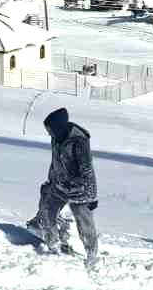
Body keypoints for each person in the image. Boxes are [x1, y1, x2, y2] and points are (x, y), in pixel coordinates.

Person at [27, 107, 100, 267]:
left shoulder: (78, 141)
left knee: (85, 224)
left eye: (50, 130)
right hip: (59, 185)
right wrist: (50, 181)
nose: (49, 133)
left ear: (58, 127)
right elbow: (55, 163)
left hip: (79, 190)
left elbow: (87, 170)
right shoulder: (56, 137)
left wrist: (92, 196)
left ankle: (92, 255)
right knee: (47, 212)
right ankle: (53, 246)